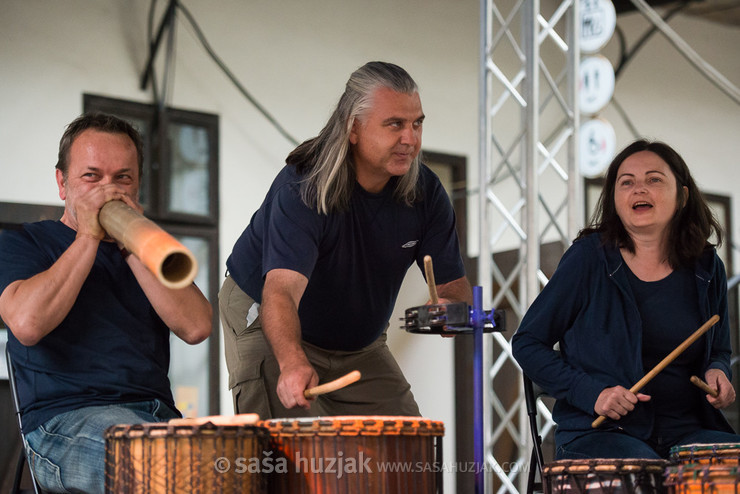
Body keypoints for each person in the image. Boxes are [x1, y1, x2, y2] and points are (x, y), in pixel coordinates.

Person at [220, 61, 472, 419]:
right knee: (292, 453)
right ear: (353, 128)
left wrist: (451, 309)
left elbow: (453, 285)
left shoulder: (427, 192)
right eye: (395, 124)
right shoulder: (305, 186)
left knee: (410, 446)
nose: (410, 139)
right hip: (267, 312)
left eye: (417, 124)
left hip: (360, 344)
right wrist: (292, 363)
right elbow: (279, 292)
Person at [0, 113, 213, 493]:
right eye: (91, 176)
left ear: (137, 186)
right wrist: (88, 237)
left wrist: (133, 242)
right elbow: (27, 324)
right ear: (62, 183)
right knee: (165, 468)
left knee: (239, 467)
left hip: (156, 417)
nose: (108, 190)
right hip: (64, 424)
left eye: (122, 178)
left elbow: (197, 326)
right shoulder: (25, 243)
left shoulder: (144, 251)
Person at [513, 139, 739, 459]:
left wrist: (719, 371)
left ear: (683, 196)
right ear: (615, 198)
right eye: (627, 182)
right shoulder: (588, 259)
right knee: (646, 476)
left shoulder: (706, 266)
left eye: (654, 180)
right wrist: (593, 394)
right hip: (602, 433)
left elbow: (718, 349)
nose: (639, 189)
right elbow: (527, 343)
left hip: (687, 428)